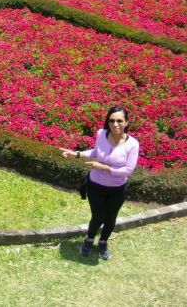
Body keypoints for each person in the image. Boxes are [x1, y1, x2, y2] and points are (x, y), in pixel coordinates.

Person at [60, 106, 139, 260]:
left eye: (119, 121)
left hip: (117, 189)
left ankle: (103, 242)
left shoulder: (133, 144)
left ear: (127, 122)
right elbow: (95, 153)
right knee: (98, 216)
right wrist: (76, 154)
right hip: (95, 185)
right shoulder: (101, 134)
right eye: (111, 120)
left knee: (110, 218)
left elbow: (128, 170)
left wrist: (105, 168)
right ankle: (89, 240)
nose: (115, 124)